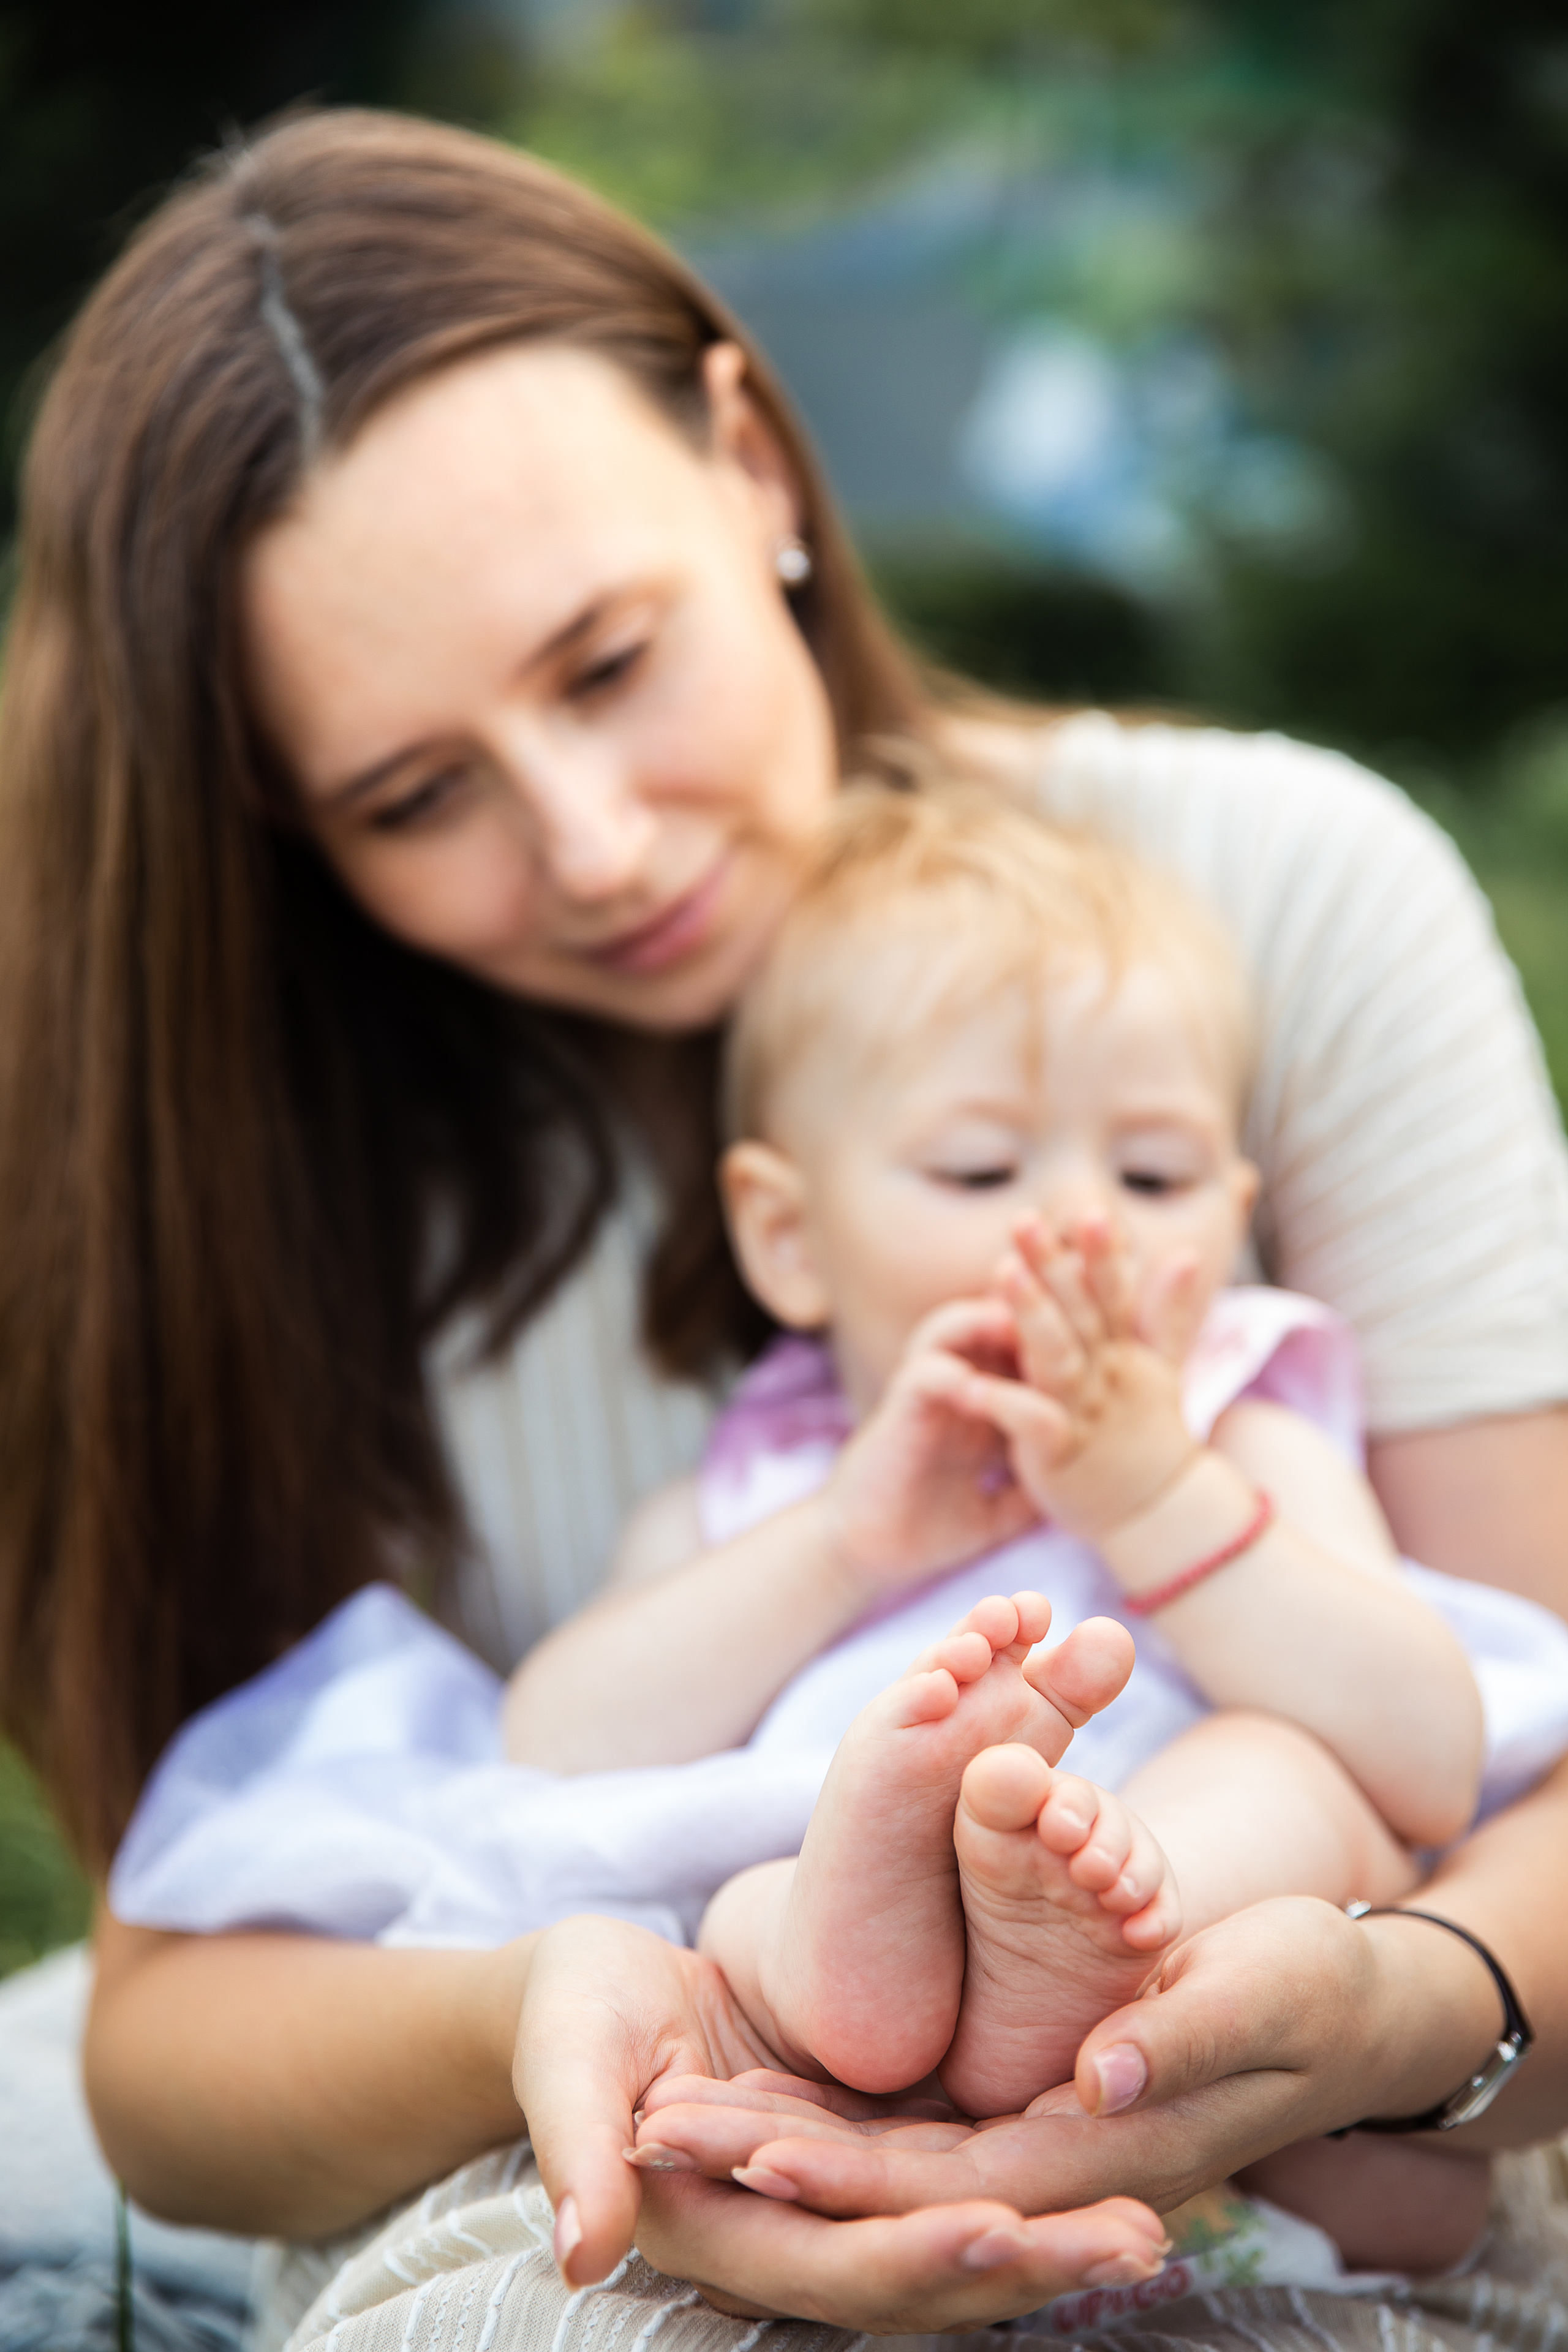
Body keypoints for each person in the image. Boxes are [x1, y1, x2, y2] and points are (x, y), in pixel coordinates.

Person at [2, 102, 1568, 2352]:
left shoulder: (1266, 909)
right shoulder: (252, 1134)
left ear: (750, 466)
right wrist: (577, 2004)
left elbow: (1514, 1758)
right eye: (414, 796)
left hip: (1299, 2113)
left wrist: (1391, 2012)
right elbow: (179, 2030)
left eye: (612, 660)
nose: (597, 844)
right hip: (590, 2124)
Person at [511, 784, 1544, 2273]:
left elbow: (1425, 1748)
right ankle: (863, 1968)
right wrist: (845, 1548)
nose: (1085, 1226)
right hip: (846, 2021)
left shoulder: (1231, 1419)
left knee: (1294, 1774)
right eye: (982, 1170)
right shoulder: (777, 1485)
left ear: (1232, 1218)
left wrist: (1150, 1495)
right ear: (789, 1238)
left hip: (1209, 2014)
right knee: (737, 1881)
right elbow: (554, 1747)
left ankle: (1110, 1940)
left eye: (1152, 1174)